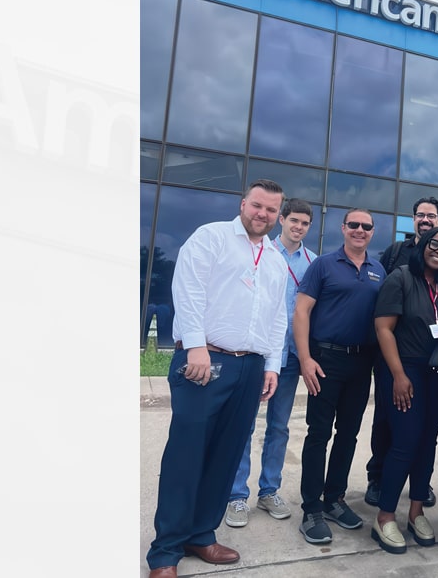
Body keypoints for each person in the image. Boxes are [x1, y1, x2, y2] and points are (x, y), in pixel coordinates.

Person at [145, 180, 288, 578]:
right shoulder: (211, 238)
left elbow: (277, 316)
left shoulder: (275, 258)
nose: (262, 214)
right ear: (243, 203)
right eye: (257, 205)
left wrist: (272, 365)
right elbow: (187, 290)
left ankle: (201, 534)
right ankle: (165, 553)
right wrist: (195, 345)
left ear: (278, 215)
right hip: (205, 361)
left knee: (225, 456)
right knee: (186, 457)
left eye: (271, 210)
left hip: (251, 366)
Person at [295, 209, 386, 545]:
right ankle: (311, 509)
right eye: (354, 225)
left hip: (362, 363)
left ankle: (334, 499)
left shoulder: (379, 270)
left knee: (348, 434)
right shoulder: (323, 265)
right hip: (325, 359)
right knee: (318, 433)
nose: (359, 230)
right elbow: (302, 311)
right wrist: (305, 358)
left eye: (366, 226)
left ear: (372, 232)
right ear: (343, 228)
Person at [225, 199, 316, 527]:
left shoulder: (312, 262)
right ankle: (236, 496)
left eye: (305, 223)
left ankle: (269, 490)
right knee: (245, 425)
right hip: (259, 354)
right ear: (282, 220)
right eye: (294, 220)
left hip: (290, 359)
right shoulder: (262, 251)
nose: (299, 227)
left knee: (279, 426)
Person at [369, 227, 438, 554]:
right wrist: (398, 375)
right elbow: (384, 328)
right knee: (405, 441)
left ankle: (416, 512)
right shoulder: (401, 278)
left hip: (437, 372)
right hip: (404, 369)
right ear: (422, 245)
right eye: (435, 244)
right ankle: (385, 516)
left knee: (427, 442)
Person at [366, 196, 438, 509]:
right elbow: (379, 303)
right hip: (393, 356)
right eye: (420, 215)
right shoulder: (396, 253)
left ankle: (418, 485)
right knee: (386, 420)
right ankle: (378, 477)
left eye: (432, 216)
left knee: (425, 429)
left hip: (431, 361)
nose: (425, 220)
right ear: (412, 219)